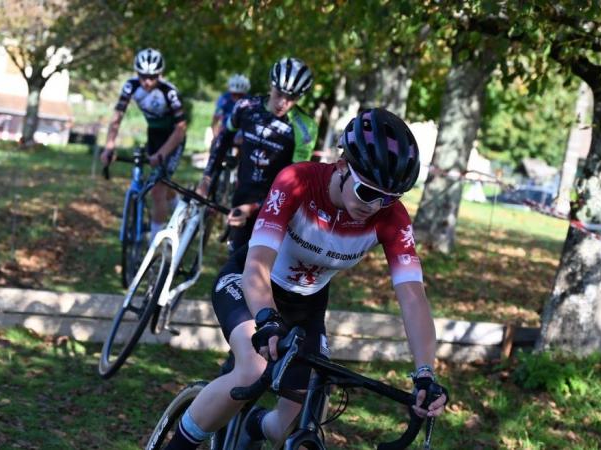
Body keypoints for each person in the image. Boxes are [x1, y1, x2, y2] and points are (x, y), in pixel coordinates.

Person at [165, 108, 448, 449]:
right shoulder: (297, 181)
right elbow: (257, 264)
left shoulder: (393, 219)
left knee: (297, 418)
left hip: (307, 307)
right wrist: (266, 320)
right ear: (342, 168)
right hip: (251, 284)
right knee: (253, 369)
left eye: (388, 198)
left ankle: (252, 425)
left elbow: (413, 297)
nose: (375, 206)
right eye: (367, 192)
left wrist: (425, 373)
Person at [197, 57, 318, 253]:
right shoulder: (245, 106)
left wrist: (254, 207)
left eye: (292, 98)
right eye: (279, 94)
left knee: (254, 264)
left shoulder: (305, 127)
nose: (283, 103)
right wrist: (207, 177)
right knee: (236, 258)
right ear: (271, 85)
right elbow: (223, 139)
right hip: (243, 192)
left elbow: (295, 182)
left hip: (274, 203)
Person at [101, 48, 188, 240]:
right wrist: (109, 146)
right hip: (154, 135)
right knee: (162, 183)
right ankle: (178, 207)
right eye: (143, 76)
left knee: (158, 189)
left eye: (152, 77)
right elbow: (117, 118)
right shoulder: (131, 86)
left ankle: (155, 246)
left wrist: (162, 154)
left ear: (160, 74)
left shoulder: (169, 92)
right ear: (136, 73)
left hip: (173, 137)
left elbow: (181, 128)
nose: (147, 82)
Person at [211, 73, 251, 139]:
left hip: (242, 134)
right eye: (234, 94)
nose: (237, 97)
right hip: (225, 131)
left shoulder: (250, 100)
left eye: (240, 95)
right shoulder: (224, 98)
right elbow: (216, 117)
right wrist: (215, 135)